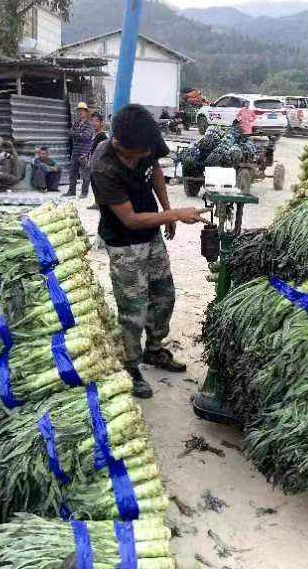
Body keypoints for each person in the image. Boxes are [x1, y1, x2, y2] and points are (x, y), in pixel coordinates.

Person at [91, 104, 208, 398]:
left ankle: (154, 349)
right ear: (120, 145)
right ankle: (129, 366)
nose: (147, 154)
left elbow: (155, 168)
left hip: (151, 234)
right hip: (123, 243)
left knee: (164, 295)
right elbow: (129, 219)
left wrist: (167, 209)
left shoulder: (146, 140)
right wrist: (175, 215)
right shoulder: (104, 167)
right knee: (133, 311)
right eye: (140, 152)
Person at [66, 102, 94, 198]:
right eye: (79, 111)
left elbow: (86, 136)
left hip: (84, 153)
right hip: (75, 152)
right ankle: (71, 191)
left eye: (82, 111)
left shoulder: (89, 125)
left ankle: (84, 192)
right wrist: (79, 134)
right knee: (73, 173)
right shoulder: (76, 124)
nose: (80, 112)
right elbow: (70, 133)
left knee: (85, 174)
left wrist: (76, 134)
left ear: (86, 112)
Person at [87, 111, 108, 211]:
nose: (94, 123)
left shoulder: (102, 136)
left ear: (101, 123)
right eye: (92, 121)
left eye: (96, 121)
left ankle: (103, 205)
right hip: (93, 164)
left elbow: (103, 152)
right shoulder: (95, 136)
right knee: (94, 184)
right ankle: (97, 203)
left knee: (99, 185)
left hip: (99, 166)